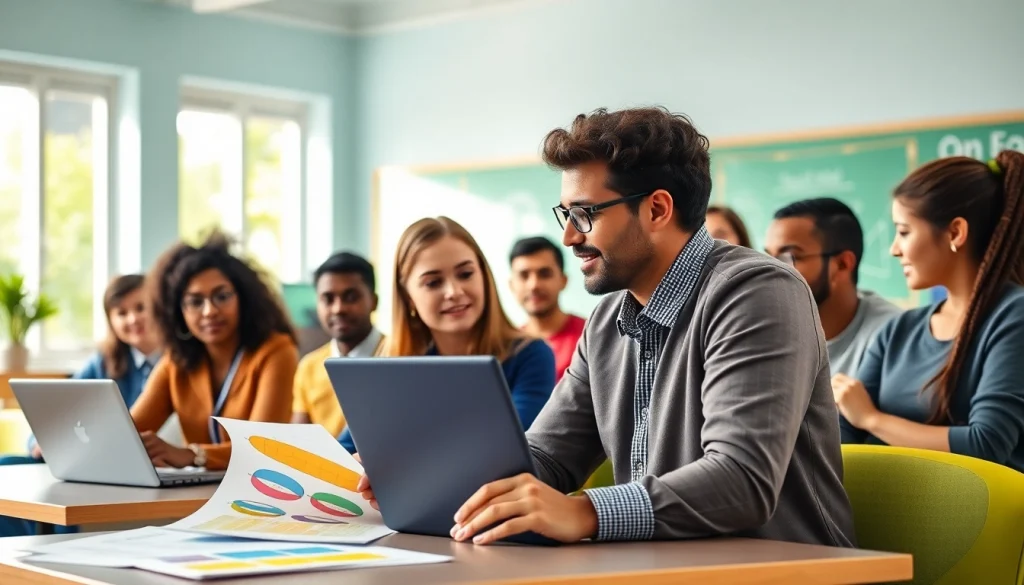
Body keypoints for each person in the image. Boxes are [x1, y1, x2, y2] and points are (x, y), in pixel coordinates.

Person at [357, 107, 855, 547]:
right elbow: (548, 456)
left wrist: (584, 512)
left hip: (784, 570)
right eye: (566, 215)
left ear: (657, 209)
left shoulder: (758, 292)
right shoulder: (607, 321)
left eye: (585, 214)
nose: (569, 237)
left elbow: (742, 480)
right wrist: (436, 479)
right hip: (659, 567)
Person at [835, 151, 1024, 473]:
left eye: (904, 232)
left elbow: (986, 445)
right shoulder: (898, 330)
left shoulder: (1013, 315)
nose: (894, 249)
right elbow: (846, 433)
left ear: (955, 233)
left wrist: (872, 419)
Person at [337, 217, 556, 454]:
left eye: (465, 274)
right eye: (433, 283)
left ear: (484, 277)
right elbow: (341, 452)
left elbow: (510, 448)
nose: (454, 292)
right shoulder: (392, 369)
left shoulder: (530, 355)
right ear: (408, 297)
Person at [0, 274, 163, 538]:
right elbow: (56, 407)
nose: (132, 319)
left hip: (136, 465)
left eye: (140, 308)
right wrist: (40, 442)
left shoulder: (178, 364)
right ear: (110, 321)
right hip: (85, 460)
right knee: (5, 465)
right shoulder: (103, 362)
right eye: (121, 313)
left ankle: (47, 542)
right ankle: (26, 547)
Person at [130, 231, 298, 471]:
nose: (209, 311)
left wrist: (192, 455)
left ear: (244, 299)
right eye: (195, 302)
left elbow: (264, 448)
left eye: (222, 296)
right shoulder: (176, 362)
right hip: (198, 488)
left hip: (259, 485)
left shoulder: (276, 351)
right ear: (178, 312)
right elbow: (129, 432)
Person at [765, 198, 901, 376]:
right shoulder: (764, 328)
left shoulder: (895, 336)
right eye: (767, 257)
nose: (770, 270)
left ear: (842, 264)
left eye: (789, 257)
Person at [292, 252, 385, 437]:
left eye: (351, 297)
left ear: (374, 302)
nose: (338, 308)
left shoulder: (402, 355)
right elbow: (298, 441)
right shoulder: (309, 367)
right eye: (328, 299)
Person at [508, 236, 586, 382]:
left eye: (544, 274)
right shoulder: (508, 348)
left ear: (563, 280)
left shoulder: (590, 336)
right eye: (524, 275)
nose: (534, 285)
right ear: (511, 285)